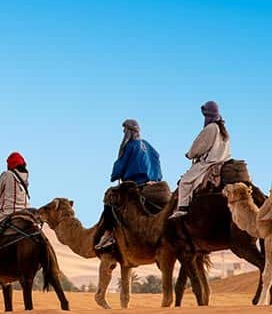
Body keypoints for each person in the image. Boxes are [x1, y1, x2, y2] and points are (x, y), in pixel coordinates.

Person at [95, 120, 163, 250]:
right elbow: (156, 157)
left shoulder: (130, 145)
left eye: (124, 130)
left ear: (129, 131)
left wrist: (114, 175)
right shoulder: (147, 145)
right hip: (152, 182)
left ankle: (109, 234)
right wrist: (156, 178)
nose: (123, 133)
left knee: (109, 196)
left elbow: (121, 164)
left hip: (135, 183)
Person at [169, 101, 231, 219]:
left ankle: (182, 208)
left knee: (185, 182)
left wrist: (190, 154)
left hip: (209, 163)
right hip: (222, 161)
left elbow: (199, 146)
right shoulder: (223, 130)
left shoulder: (211, 128)